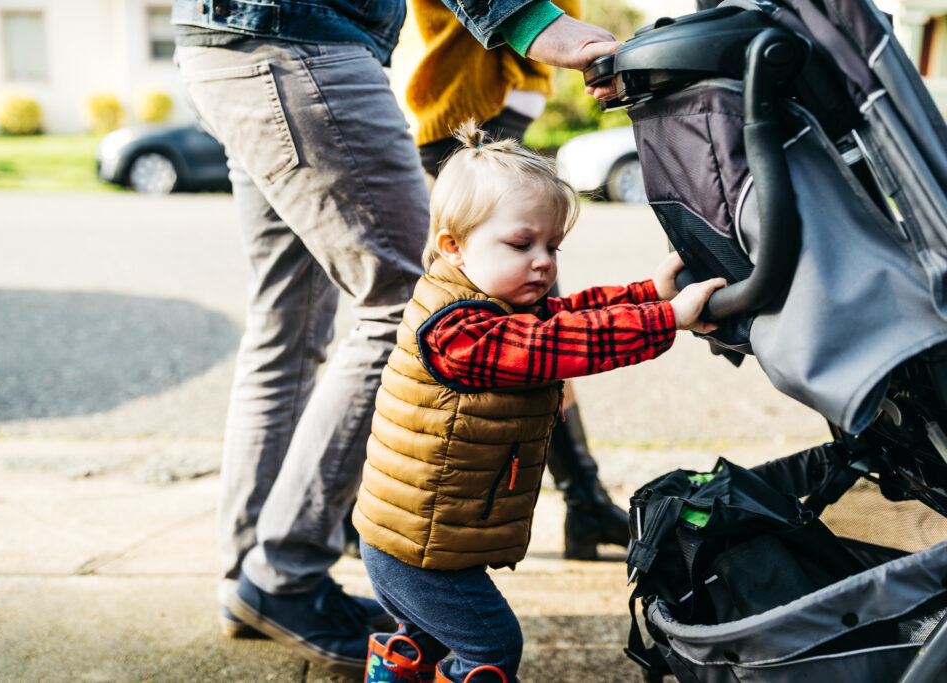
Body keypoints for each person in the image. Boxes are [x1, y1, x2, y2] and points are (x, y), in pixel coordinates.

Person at [170, 0, 622, 677]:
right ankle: (283, 572)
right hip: (299, 41)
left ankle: (255, 576)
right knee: (412, 307)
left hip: (228, 43)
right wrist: (530, 23)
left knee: (286, 325)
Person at [353, 122, 726, 683]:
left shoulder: (485, 302)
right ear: (454, 246)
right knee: (492, 646)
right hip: (414, 549)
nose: (543, 261)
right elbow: (559, 344)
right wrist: (667, 320)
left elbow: (568, 313)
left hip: (416, 537)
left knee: (426, 645)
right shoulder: (458, 334)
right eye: (521, 244)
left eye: (552, 246)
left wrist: (651, 294)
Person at [401, 0, 633, 560]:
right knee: (457, 335)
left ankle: (584, 502)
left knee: (530, 328)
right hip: (464, 122)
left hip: (504, 117)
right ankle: (370, 510)